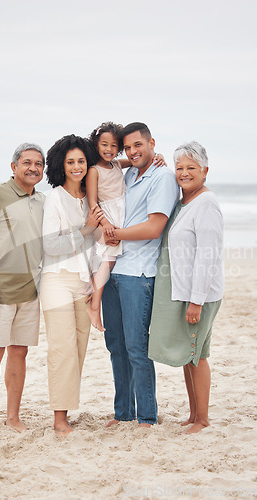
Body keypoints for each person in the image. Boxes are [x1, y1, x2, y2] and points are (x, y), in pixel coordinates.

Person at [101, 122, 179, 428]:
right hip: (114, 269)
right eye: (128, 147)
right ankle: (123, 414)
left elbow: (154, 227)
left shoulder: (163, 177)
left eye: (139, 145)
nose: (133, 152)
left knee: (136, 347)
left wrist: (115, 233)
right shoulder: (130, 172)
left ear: (152, 143)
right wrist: (126, 160)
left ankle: (147, 416)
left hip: (138, 273)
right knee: (116, 347)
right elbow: (107, 164)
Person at [148, 141, 224, 434]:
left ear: (205, 171)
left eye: (191, 168)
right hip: (183, 291)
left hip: (199, 294)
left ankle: (203, 419)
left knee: (196, 355)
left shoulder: (206, 203)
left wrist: (197, 301)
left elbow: (208, 255)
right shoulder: (184, 202)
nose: (184, 173)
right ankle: (194, 414)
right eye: (179, 168)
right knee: (188, 355)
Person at [0, 143, 45, 440]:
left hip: (30, 292)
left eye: (39, 164)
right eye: (27, 162)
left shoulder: (43, 201)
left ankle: (12, 418)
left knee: (19, 354)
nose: (33, 168)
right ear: (13, 166)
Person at [40, 134, 104, 437]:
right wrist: (87, 228)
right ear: (60, 165)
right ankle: (59, 419)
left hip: (82, 281)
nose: (76, 167)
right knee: (63, 349)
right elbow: (51, 245)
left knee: (78, 348)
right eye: (70, 162)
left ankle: (65, 411)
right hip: (56, 280)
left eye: (81, 161)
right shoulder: (55, 198)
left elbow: (93, 248)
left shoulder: (91, 200)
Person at [86, 121, 166, 332]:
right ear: (96, 145)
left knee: (108, 260)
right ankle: (94, 304)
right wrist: (106, 226)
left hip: (121, 225)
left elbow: (137, 161)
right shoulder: (95, 170)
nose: (109, 150)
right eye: (104, 145)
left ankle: (93, 299)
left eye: (114, 146)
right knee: (108, 260)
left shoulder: (119, 166)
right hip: (109, 220)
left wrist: (158, 156)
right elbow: (93, 203)